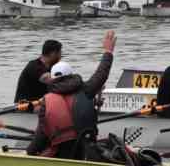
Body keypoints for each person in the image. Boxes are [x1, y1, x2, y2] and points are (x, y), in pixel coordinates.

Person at [28, 30, 116, 159]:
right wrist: (108, 52)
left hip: (63, 154)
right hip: (87, 151)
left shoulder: (47, 101)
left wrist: (29, 152)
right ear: (71, 75)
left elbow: (41, 135)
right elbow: (101, 74)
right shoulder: (86, 90)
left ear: (52, 79)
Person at [14, 39, 62, 103]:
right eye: (59, 53)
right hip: (24, 107)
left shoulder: (52, 67)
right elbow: (55, 82)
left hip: (40, 104)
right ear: (52, 53)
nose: (60, 56)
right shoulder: (34, 66)